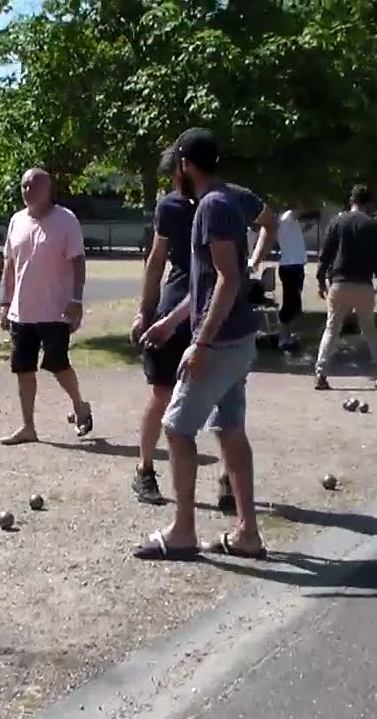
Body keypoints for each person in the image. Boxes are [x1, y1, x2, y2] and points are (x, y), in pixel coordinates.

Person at [132, 128, 263, 560]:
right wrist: (171, 322)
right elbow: (209, 283)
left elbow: (228, 279)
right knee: (229, 429)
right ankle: (247, 534)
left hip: (221, 342)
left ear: (185, 164)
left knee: (176, 426)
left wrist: (201, 342)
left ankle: (183, 531)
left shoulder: (211, 206)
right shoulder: (228, 200)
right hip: (238, 338)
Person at [0, 168, 93, 445]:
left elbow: (78, 261)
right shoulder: (16, 221)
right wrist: (5, 301)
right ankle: (28, 427)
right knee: (23, 370)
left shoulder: (66, 220)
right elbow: (10, 264)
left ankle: (79, 404)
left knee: (57, 364)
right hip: (22, 312)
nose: (27, 190)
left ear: (47, 189)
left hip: (56, 310)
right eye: (24, 185)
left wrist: (76, 300)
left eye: (33, 185)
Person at [313, 185, 377, 392]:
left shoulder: (337, 222)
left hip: (339, 282)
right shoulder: (375, 226)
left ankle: (321, 374)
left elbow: (326, 254)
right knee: (369, 329)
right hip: (364, 284)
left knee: (332, 328)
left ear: (351, 200)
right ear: (369, 202)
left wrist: (321, 280)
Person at [249, 200, 306, 351]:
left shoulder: (282, 221)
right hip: (291, 266)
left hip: (295, 265)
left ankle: (288, 335)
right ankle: (284, 339)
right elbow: (300, 209)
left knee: (294, 303)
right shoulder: (286, 217)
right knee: (290, 303)